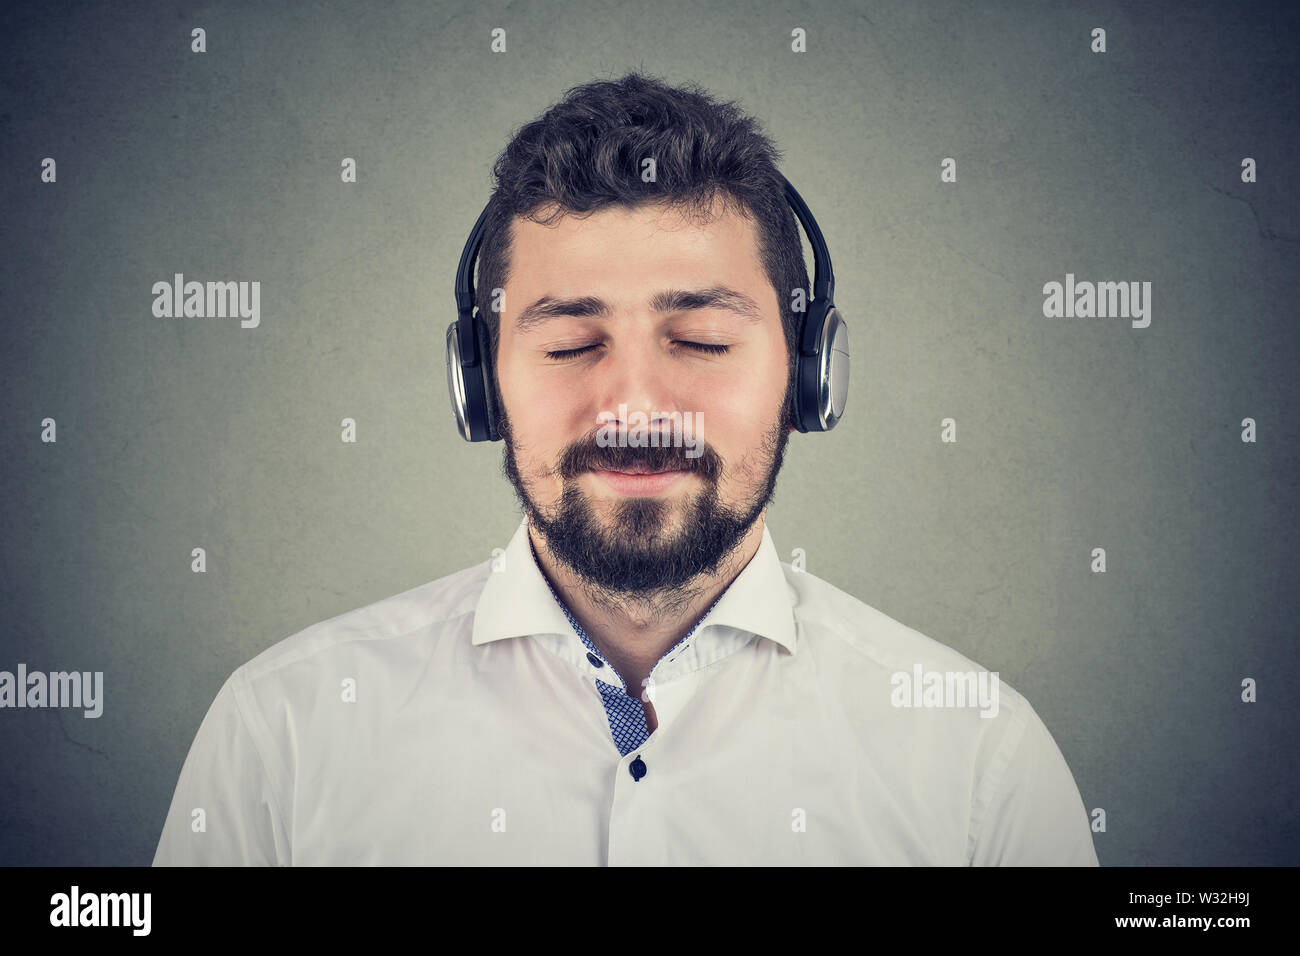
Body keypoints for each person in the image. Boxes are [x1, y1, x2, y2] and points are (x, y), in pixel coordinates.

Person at [153, 72, 1097, 866]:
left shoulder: (978, 764)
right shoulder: (279, 736)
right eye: (569, 345)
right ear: (481, 385)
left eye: (700, 338)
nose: (636, 404)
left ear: (810, 374)